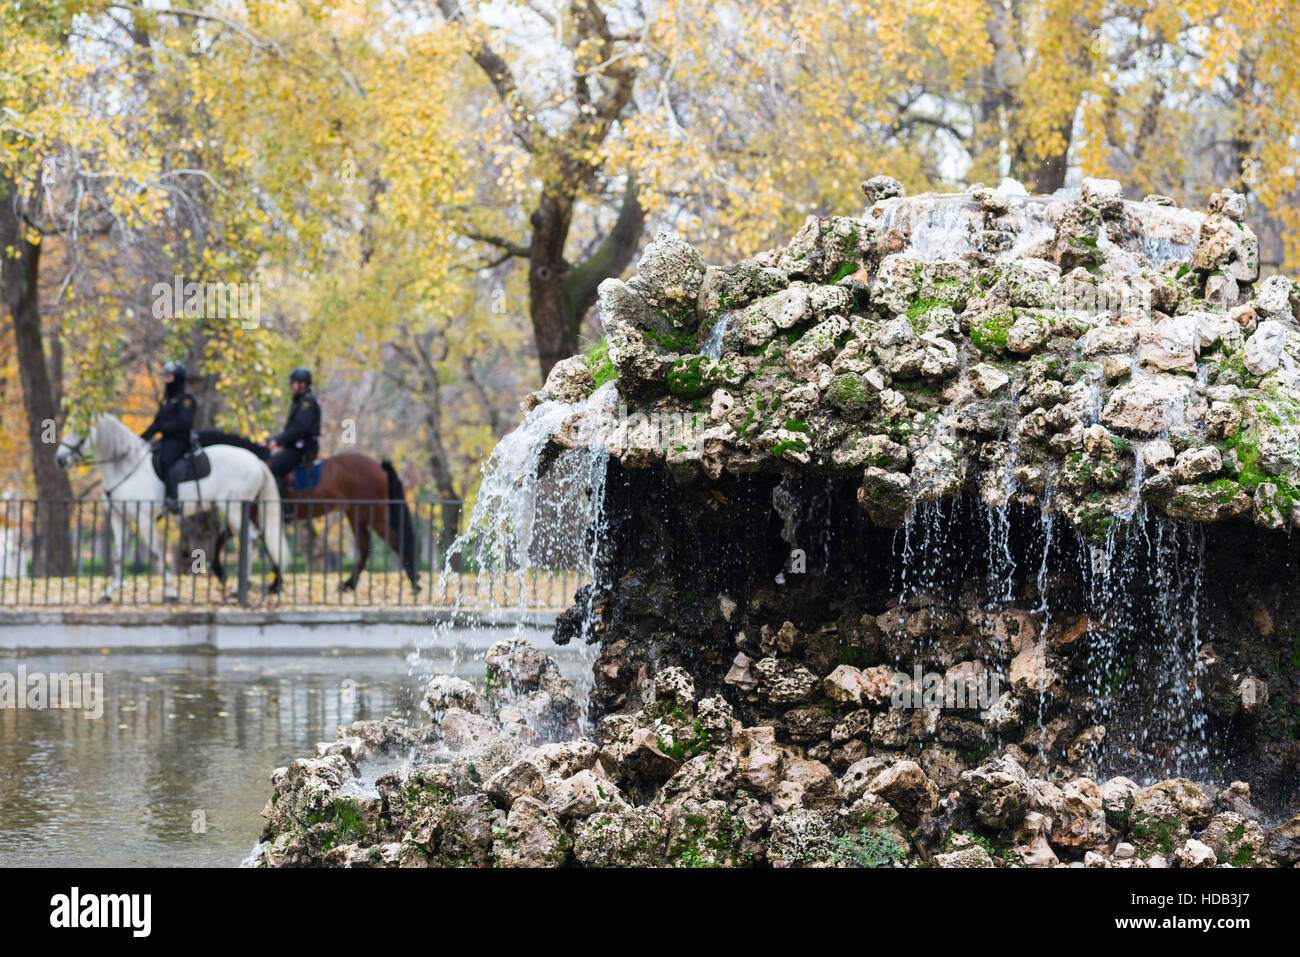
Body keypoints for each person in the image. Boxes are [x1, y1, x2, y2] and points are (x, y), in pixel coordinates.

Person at [140, 360, 197, 513]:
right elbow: (157, 423)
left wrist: (164, 427)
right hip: (165, 440)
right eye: (165, 376)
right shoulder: (165, 400)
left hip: (180, 440)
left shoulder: (187, 400)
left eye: (169, 376)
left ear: (177, 378)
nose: (166, 380)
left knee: (166, 459)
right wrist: (142, 438)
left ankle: (172, 497)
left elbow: (185, 423)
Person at [268, 367, 321, 495]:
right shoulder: (299, 402)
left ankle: (283, 510)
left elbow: (300, 429)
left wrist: (278, 441)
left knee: (273, 469)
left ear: (302, 384)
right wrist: (273, 440)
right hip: (293, 447)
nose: (291, 386)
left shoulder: (307, 402)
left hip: (302, 449)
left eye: (293, 383)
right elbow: (291, 429)